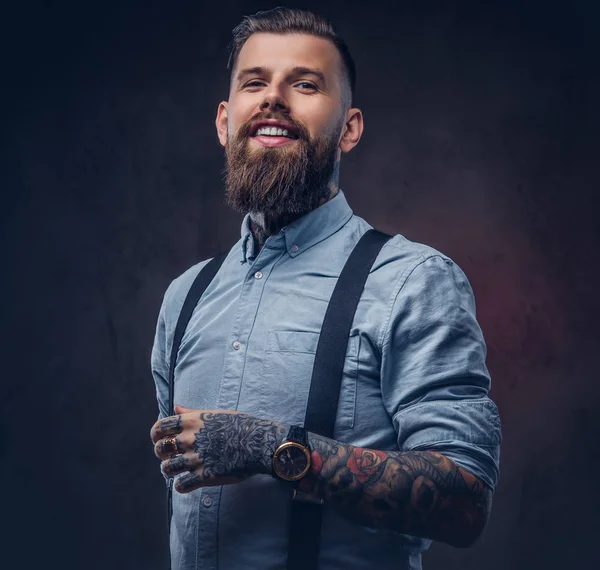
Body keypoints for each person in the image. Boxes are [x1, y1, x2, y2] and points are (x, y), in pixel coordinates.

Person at [149, 7, 502, 570]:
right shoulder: (186, 296)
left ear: (350, 128)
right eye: (254, 82)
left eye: (306, 84)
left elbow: (464, 501)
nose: (274, 98)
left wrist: (271, 448)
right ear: (223, 121)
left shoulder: (413, 281)